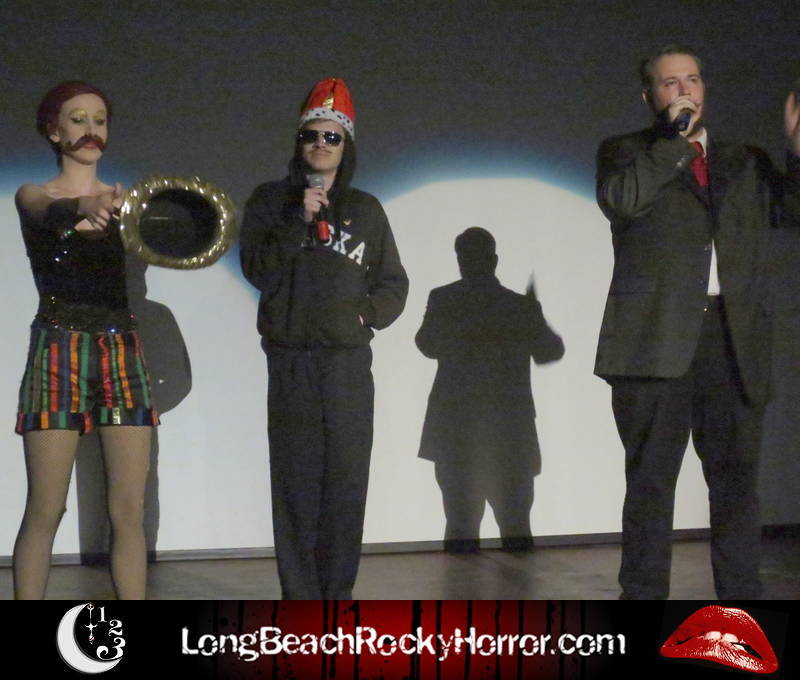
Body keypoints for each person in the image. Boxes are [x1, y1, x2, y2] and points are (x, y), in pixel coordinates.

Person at [594, 45, 800, 599]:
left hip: (732, 340)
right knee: (650, 483)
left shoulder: (745, 159)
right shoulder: (624, 152)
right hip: (655, 341)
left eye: (692, 80)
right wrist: (675, 144)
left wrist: (797, 154)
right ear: (649, 95)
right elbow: (622, 201)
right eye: (671, 83)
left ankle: (741, 613)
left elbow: (792, 210)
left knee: (736, 484)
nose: (684, 90)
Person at [240, 78, 408, 599]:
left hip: (346, 367)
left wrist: (364, 316)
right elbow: (258, 270)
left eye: (331, 136)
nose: (320, 144)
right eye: (311, 135)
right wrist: (298, 221)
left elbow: (393, 283)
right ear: (299, 141)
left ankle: (337, 600)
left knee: (345, 486)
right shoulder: (270, 202)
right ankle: (301, 603)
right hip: (290, 362)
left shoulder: (366, 209)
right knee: (295, 487)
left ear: (346, 144)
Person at [12, 81, 158, 599]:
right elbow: (45, 211)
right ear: (54, 131)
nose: (91, 130)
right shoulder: (34, 193)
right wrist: (84, 206)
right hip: (58, 348)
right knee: (47, 507)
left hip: (121, 349)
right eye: (78, 120)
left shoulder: (126, 204)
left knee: (129, 509)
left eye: (99, 120)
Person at [416, 227, 564, 553]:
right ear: (494, 259)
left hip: (456, 428)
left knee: (460, 526)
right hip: (510, 430)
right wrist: (532, 316)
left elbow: (426, 344)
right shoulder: (519, 306)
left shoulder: (443, 298)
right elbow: (550, 351)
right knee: (515, 526)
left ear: (460, 260)